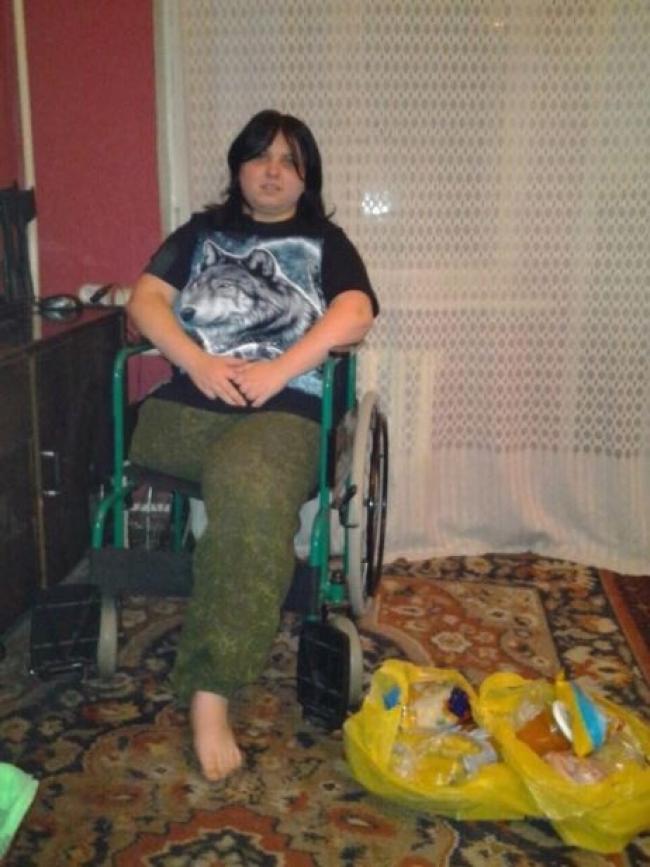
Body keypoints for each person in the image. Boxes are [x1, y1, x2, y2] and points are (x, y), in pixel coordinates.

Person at [127, 109, 378, 782]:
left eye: (289, 161)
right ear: (238, 166)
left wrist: (279, 370)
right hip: (189, 410)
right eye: (260, 156)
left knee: (250, 485)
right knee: (248, 492)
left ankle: (209, 692)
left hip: (285, 409)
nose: (273, 171)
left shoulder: (325, 241)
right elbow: (145, 301)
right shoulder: (200, 234)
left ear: (306, 176)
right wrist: (198, 362)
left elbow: (356, 313)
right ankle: (250, 556)